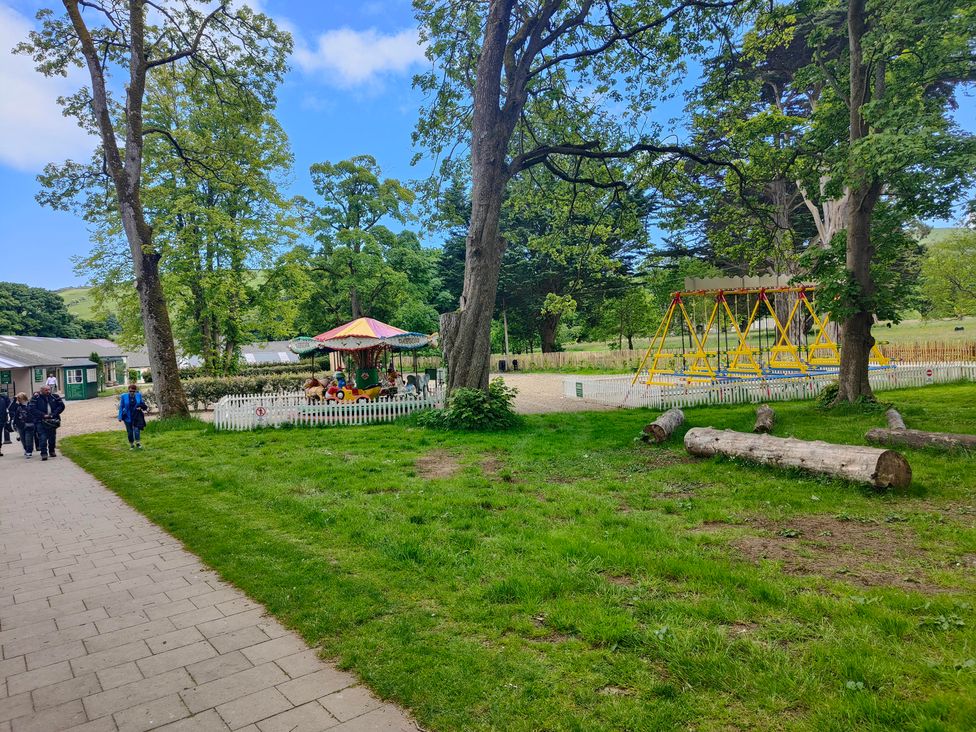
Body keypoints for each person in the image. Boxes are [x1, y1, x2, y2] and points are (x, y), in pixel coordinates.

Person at [29, 386, 65, 461]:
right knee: (43, 437)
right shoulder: (35, 398)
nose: (48, 391)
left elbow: (61, 406)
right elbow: (32, 409)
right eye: (46, 390)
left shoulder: (55, 396)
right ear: (41, 391)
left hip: (53, 420)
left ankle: (52, 451)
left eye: (49, 390)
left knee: (52, 437)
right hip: (40, 421)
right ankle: (44, 453)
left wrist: (53, 414)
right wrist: (43, 415)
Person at [118, 383, 148, 448]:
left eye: (133, 391)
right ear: (128, 390)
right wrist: (120, 416)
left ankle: (138, 443)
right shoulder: (124, 396)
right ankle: (131, 444)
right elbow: (121, 406)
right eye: (130, 391)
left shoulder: (138, 395)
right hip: (127, 416)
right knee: (130, 432)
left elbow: (142, 404)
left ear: (135, 391)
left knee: (137, 430)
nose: (132, 392)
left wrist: (140, 407)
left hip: (136, 416)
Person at [9, 393, 35, 459]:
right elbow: (10, 408)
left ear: (24, 398)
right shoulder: (17, 405)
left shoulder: (30, 404)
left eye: (19, 398)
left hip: (29, 424)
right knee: (23, 439)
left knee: (28, 439)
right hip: (20, 424)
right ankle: (26, 449)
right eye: (18, 399)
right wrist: (14, 400)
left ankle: (29, 451)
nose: (19, 400)